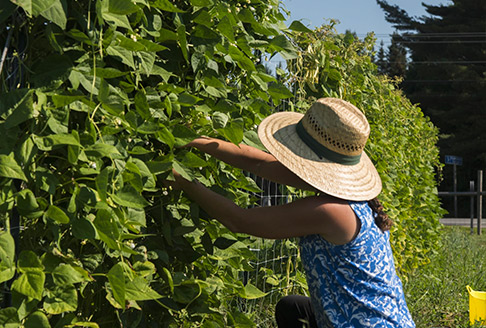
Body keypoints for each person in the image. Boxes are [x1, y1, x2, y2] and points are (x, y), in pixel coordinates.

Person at [167, 98, 415, 327]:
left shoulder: (330, 212)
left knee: (294, 310)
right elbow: (258, 163)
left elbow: (240, 220)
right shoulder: (352, 198)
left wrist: (184, 179)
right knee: (292, 308)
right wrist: (195, 140)